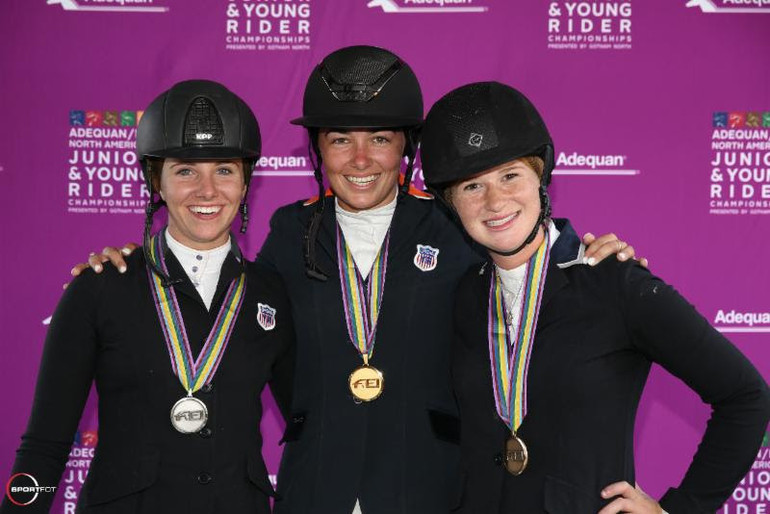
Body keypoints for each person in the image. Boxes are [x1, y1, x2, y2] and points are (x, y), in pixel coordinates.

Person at [71, 47, 641, 514]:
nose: (361, 158)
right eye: (341, 138)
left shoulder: (454, 226)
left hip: (431, 490)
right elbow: (229, 308)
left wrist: (587, 252)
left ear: (408, 149)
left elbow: (527, 260)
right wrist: (140, 263)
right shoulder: (289, 232)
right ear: (317, 149)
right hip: (316, 488)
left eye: (382, 138)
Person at [419, 81, 770, 513]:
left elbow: (746, 396)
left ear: (540, 177)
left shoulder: (615, 283)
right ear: (451, 203)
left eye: (510, 175)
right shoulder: (462, 295)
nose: (495, 201)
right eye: (472, 186)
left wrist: (680, 509)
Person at [1, 80, 294, 514]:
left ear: (246, 182)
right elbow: (45, 448)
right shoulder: (100, 287)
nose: (208, 190)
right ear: (155, 180)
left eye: (225, 169)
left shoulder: (272, 292)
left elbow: (312, 426)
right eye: (185, 170)